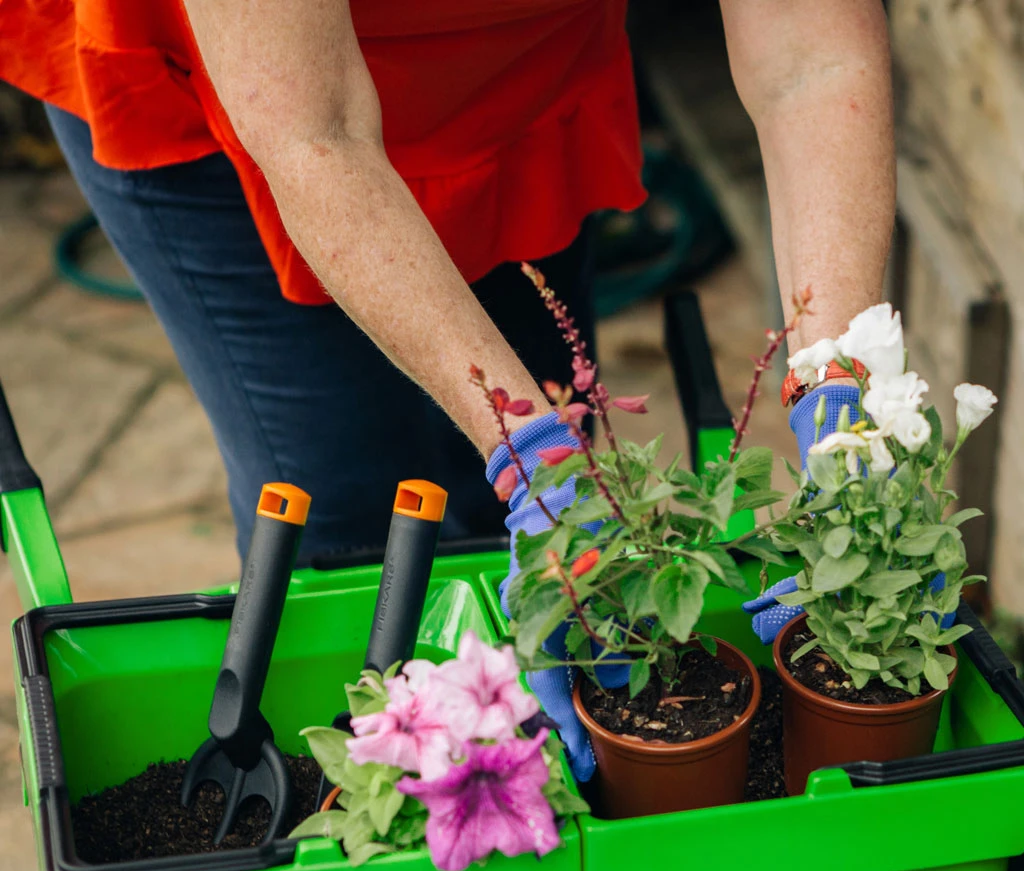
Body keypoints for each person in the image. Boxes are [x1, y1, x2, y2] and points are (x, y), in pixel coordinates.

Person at [0, 0, 896, 775]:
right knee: (350, 519)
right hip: (225, 92)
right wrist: (532, 455)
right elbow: (312, 132)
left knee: (544, 507)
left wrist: (841, 386)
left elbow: (812, 57)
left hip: (513, 79)